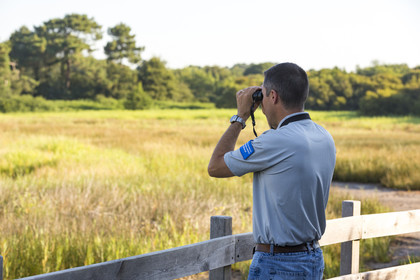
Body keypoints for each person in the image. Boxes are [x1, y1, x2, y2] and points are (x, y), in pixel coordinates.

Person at [208, 62, 336, 279]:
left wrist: (240, 117)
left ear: (273, 97)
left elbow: (216, 166)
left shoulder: (275, 141)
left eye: (264, 97)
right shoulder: (324, 136)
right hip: (312, 258)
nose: (263, 105)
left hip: (278, 264)